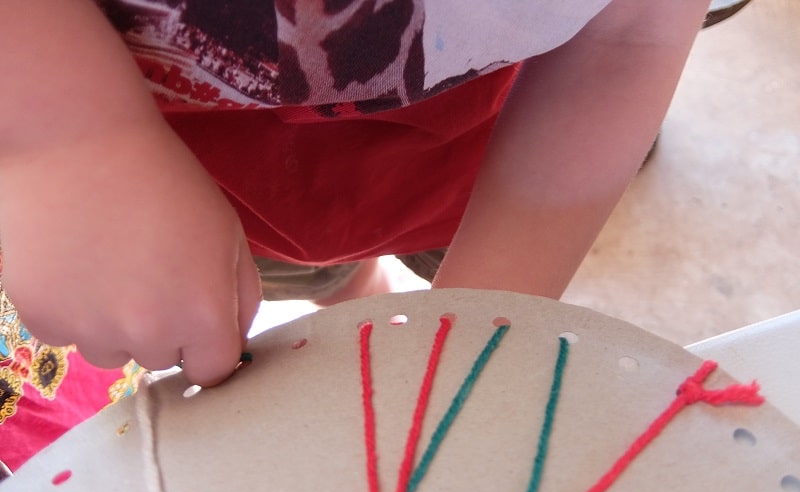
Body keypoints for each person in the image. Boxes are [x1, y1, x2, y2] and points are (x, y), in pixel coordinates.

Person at [0, 0, 712, 389]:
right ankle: (353, 288)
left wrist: (478, 318)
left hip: (480, 155)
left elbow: (631, 32)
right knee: (310, 267)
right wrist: (67, 137)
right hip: (205, 191)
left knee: (445, 274)